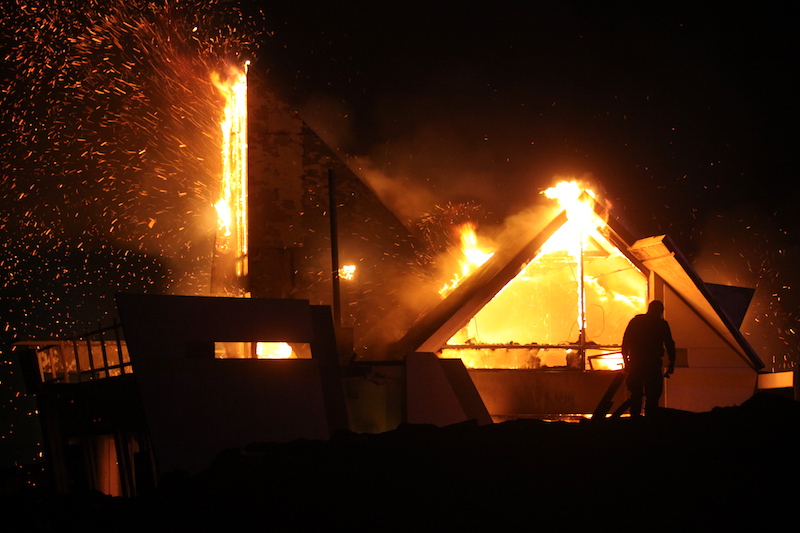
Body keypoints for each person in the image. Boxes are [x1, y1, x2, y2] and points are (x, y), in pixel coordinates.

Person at [621, 300, 676, 417]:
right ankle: (649, 420)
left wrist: (626, 362)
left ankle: (635, 419)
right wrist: (671, 363)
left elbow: (625, 343)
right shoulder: (661, 324)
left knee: (636, 394)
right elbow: (670, 344)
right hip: (652, 364)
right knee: (652, 396)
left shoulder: (636, 322)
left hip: (637, 363)